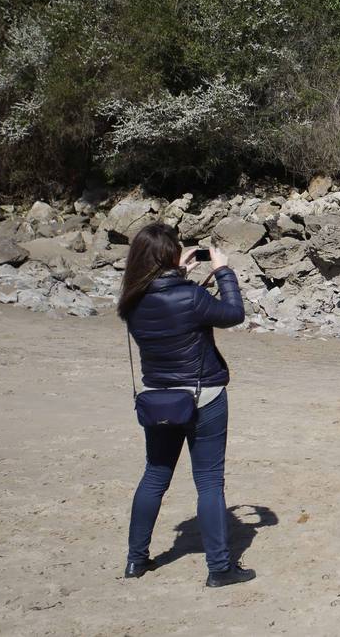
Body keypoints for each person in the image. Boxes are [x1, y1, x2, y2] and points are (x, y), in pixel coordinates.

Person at [118, 222, 255, 588]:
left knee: (154, 477)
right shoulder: (189, 296)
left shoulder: (131, 299)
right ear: (169, 255)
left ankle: (136, 560)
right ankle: (219, 568)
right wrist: (222, 271)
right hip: (202, 395)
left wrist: (178, 273)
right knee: (209, 482)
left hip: (158, 397)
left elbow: (167, 305)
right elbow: (232, 314)